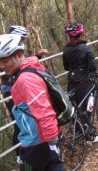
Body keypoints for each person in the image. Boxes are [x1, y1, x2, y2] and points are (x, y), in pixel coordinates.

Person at [0, 34, 64, 171]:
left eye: (5, 61)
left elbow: (44, 112)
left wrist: (52, 145)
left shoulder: (25, 80)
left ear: (19, 55)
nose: (1, 66)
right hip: (35, 140)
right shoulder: (27, 67)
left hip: (38, 143)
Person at [0, 25, 48, 165]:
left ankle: (27, 150)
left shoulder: (17, 58)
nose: (22, 43)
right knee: (19, 120)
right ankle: (20, 154)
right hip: (10, 88)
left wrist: (37, 56)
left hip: (17, 86)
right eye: (21, 40)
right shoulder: (7, 53)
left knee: (25, 118)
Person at [63, 22, 98, 143]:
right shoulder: (86, 48)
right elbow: (93, 67)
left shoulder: (66, 49)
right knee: (88, 106)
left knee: (76, 108)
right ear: (81, 34)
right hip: (84, 81)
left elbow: (66, 67)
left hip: (71, 82)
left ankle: (79, 130)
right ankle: (89, 135)